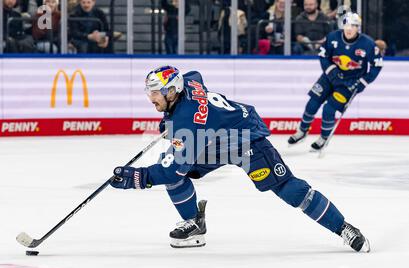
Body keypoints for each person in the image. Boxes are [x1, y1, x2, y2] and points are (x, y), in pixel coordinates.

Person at [109, 65, 370, 253]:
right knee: (174, 164)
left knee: (288, 188)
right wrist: (172, 121)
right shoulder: (187, 83)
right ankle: (194, 222)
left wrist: (137, 178)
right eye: (149, 92)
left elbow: (171, 170)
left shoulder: (188, 124)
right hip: (215, 138)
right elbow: (194, 76)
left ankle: (343, 227)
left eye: (155, 93)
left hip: (245, 139)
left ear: (171, 90)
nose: (150, 98)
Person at [288, 12, 383, 150]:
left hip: (349, 84)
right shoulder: (333, 37)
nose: (350, 29)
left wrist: (363, 81)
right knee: (312, 103)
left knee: (329, 109)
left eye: (354, 26)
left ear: (358, 28)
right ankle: (302, 131)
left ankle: (323, 138)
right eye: (347, 25)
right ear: (342, 25)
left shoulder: (368, 44)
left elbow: (377, 65)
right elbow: (323, 55)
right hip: (329, 78)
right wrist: (331, 70)